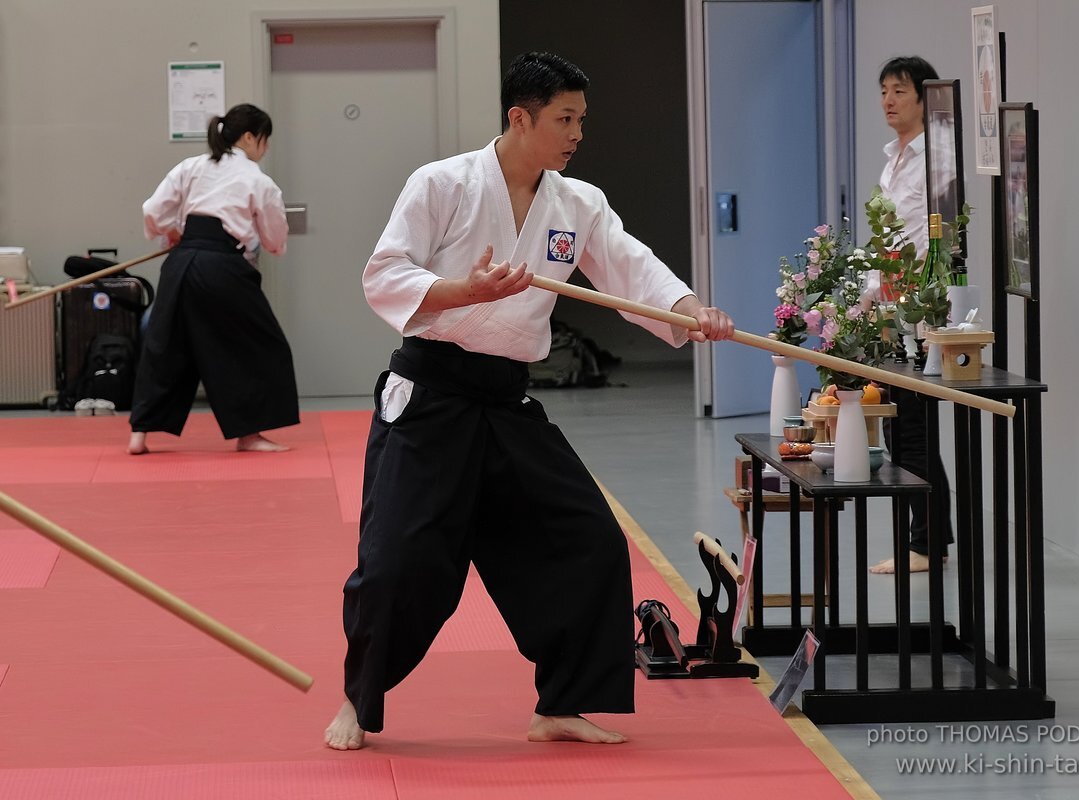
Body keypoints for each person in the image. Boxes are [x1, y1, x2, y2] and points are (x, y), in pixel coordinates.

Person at [323, 51, 734, 751]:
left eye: (582, 119)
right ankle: (358, 704)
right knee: (400, 562)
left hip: (507, 402)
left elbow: (629, 268)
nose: (577, 133)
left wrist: (690, 308)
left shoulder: (577, 203)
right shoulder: (443, 184)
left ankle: (562, 703)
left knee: (588, 541)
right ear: (521, 117)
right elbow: (386, 273)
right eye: (564, 118)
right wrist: (465, 291)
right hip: (430, 396)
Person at [128, 104, 299, 455]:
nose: (264, 150)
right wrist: (266, 245)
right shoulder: (257, 179)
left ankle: (139, 434)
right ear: (250, 137)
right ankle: (249, 435)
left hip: (181, 263)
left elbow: (153, 211)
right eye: (264, 141)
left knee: (166, 344)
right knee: (258, 344)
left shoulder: (191, 167)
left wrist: (172, 233)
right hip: (222, 266)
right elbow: (275, 241)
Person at [869, 56, 954, 575]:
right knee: (903, 430)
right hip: (893, 307)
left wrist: (912, 299)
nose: (888, 100)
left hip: (921, 310)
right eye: (883, 91)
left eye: (899, 90)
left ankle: (924, 545)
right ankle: (930, 536)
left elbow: (934, 238)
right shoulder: (893, 158)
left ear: (923, 98)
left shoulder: (935, 157)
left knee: (915, 430)